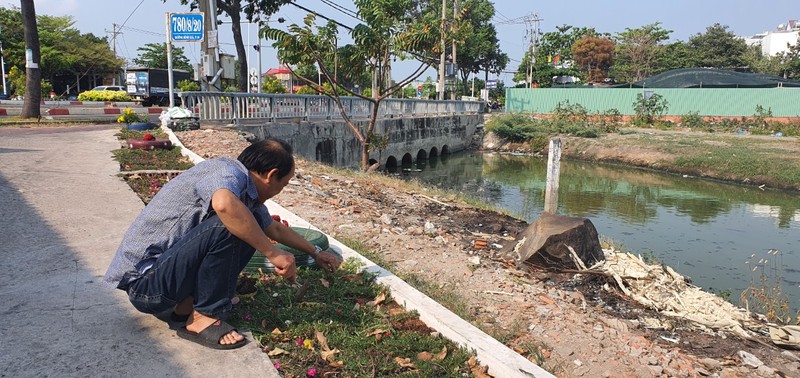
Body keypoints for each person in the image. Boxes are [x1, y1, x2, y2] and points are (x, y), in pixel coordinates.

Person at [103, 138, 341, 350]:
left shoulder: (247, 195)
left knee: (249, 220)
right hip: (145, 286)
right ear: (271, 175)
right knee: (231, 223)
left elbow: (275, 228)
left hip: (164, 280)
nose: (281, 190)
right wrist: (271, 253)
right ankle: (204, 315)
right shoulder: (226, 172)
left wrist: (316, 252)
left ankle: (185, 308)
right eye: (284, 184)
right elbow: (225, 205)